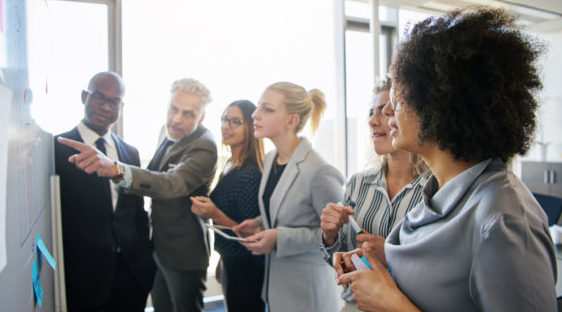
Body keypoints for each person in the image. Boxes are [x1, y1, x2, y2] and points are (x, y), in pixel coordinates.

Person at [338, 7, 557, 312]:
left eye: (399, 98)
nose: (387, 111)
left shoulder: (503, 220)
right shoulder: (437, 194)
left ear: (441, 103)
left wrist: (392, 304)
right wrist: (380, 268)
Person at [58, 78, 218, 312]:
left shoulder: (205, 146)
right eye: (173, 109)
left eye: (188, 114)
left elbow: (171, 183)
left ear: (201, 118)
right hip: (157, 249)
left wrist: (116, 169)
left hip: (184, 253)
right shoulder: (168, 131)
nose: (176, 119)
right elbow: (153, 174)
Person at [233, 82, 345, 312]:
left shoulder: (319, 171)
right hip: (277, 289)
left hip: (309, 294)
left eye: (267, 109)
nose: (255, 114)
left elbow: (340, 237)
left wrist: (279, 238)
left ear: (292, 121)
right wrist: (260, 222)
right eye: (258, 107)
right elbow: (285, 212)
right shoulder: (271, 159)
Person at [55, 71, 155, 311]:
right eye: (99, 96)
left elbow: (137, 212)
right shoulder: (56, 149)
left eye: (114, 101)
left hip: (131, 276)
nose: (106, 106)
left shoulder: (129, 152)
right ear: (84, 97)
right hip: (82, 279)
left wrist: (145, 262)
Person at [320, 79, 428, 299]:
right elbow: (337, 256)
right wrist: (329, 237)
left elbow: (442, 266)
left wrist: (391, 253)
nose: (372, 121)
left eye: (385, 112)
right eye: (371, 112)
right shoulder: (358, 183)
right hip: (358, 304)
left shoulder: (435, 189)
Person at [190, 100, 266, 312]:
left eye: (235, 121)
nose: (226, 126)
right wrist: (223, 259)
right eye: (224, 119)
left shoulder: (250, 174)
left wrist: (214, 213)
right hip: (231, 260)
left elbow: (249, 235)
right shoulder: (230, 165)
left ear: (250, 129)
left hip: (247, 268)